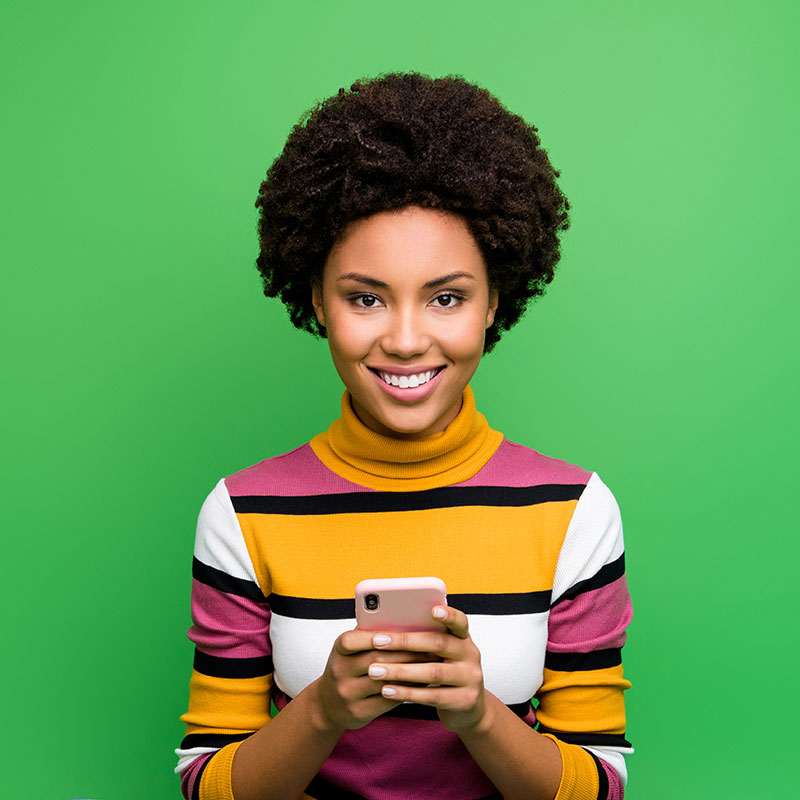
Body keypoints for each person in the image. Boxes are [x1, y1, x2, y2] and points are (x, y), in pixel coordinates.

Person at [174, 72, 633, 800]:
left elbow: (600, 786)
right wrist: (323, 710)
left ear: (494, 302)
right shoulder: (241, 514)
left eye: (447, 297)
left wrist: (479, 715)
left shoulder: (573, 510)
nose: (408, 339)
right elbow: (207, 783)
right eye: (365, 298)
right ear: (318, 301)